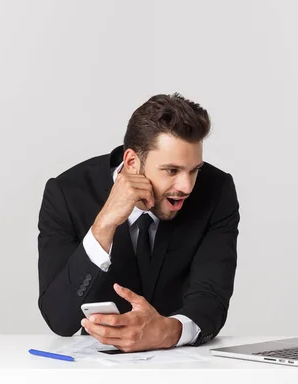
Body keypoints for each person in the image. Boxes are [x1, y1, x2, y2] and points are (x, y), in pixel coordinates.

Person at [37, 93, 240, 352]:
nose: (187, 186)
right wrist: (104, 225)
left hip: (183, 366)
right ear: (132, 162)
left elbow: (211, 299)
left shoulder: (217, 191)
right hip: (94, 370)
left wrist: (167, 332)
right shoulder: (66, 194)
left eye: (194, 170)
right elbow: (59, 319)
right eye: (172, 170)